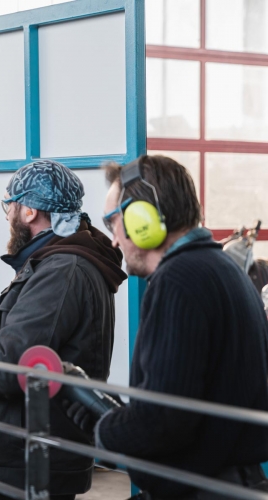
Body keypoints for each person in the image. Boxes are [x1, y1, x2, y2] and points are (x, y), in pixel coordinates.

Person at [0, 159, 127, 500]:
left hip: (24, 460)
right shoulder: (57, 262)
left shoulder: (63, 270)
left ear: (29, 211)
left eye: (10, 205)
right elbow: (37, 343)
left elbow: (13, 367)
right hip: (22, 456)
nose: (7, 216)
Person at [72, 154, 268, 499]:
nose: (114, 241)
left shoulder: (178, 281)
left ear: (141, 218)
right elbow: (181, 399)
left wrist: (103, 428)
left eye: (112, 222)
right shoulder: (221, 266)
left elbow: (162, 423)